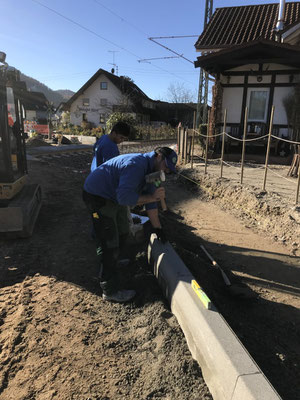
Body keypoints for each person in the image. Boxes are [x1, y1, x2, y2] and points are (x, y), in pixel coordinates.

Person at [82, 146, 177, 303]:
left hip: (113, 196)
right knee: (109, 240)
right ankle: (109, 290)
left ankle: (114, 260)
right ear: (158, 156)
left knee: (123, 230)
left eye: (169, 170)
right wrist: (152, 197)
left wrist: (158, 228)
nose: (166, 171)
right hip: (97, 196)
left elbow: (151, 203)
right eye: (166, 166)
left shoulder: (152, 172)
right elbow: (125, 198)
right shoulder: (136, 166)